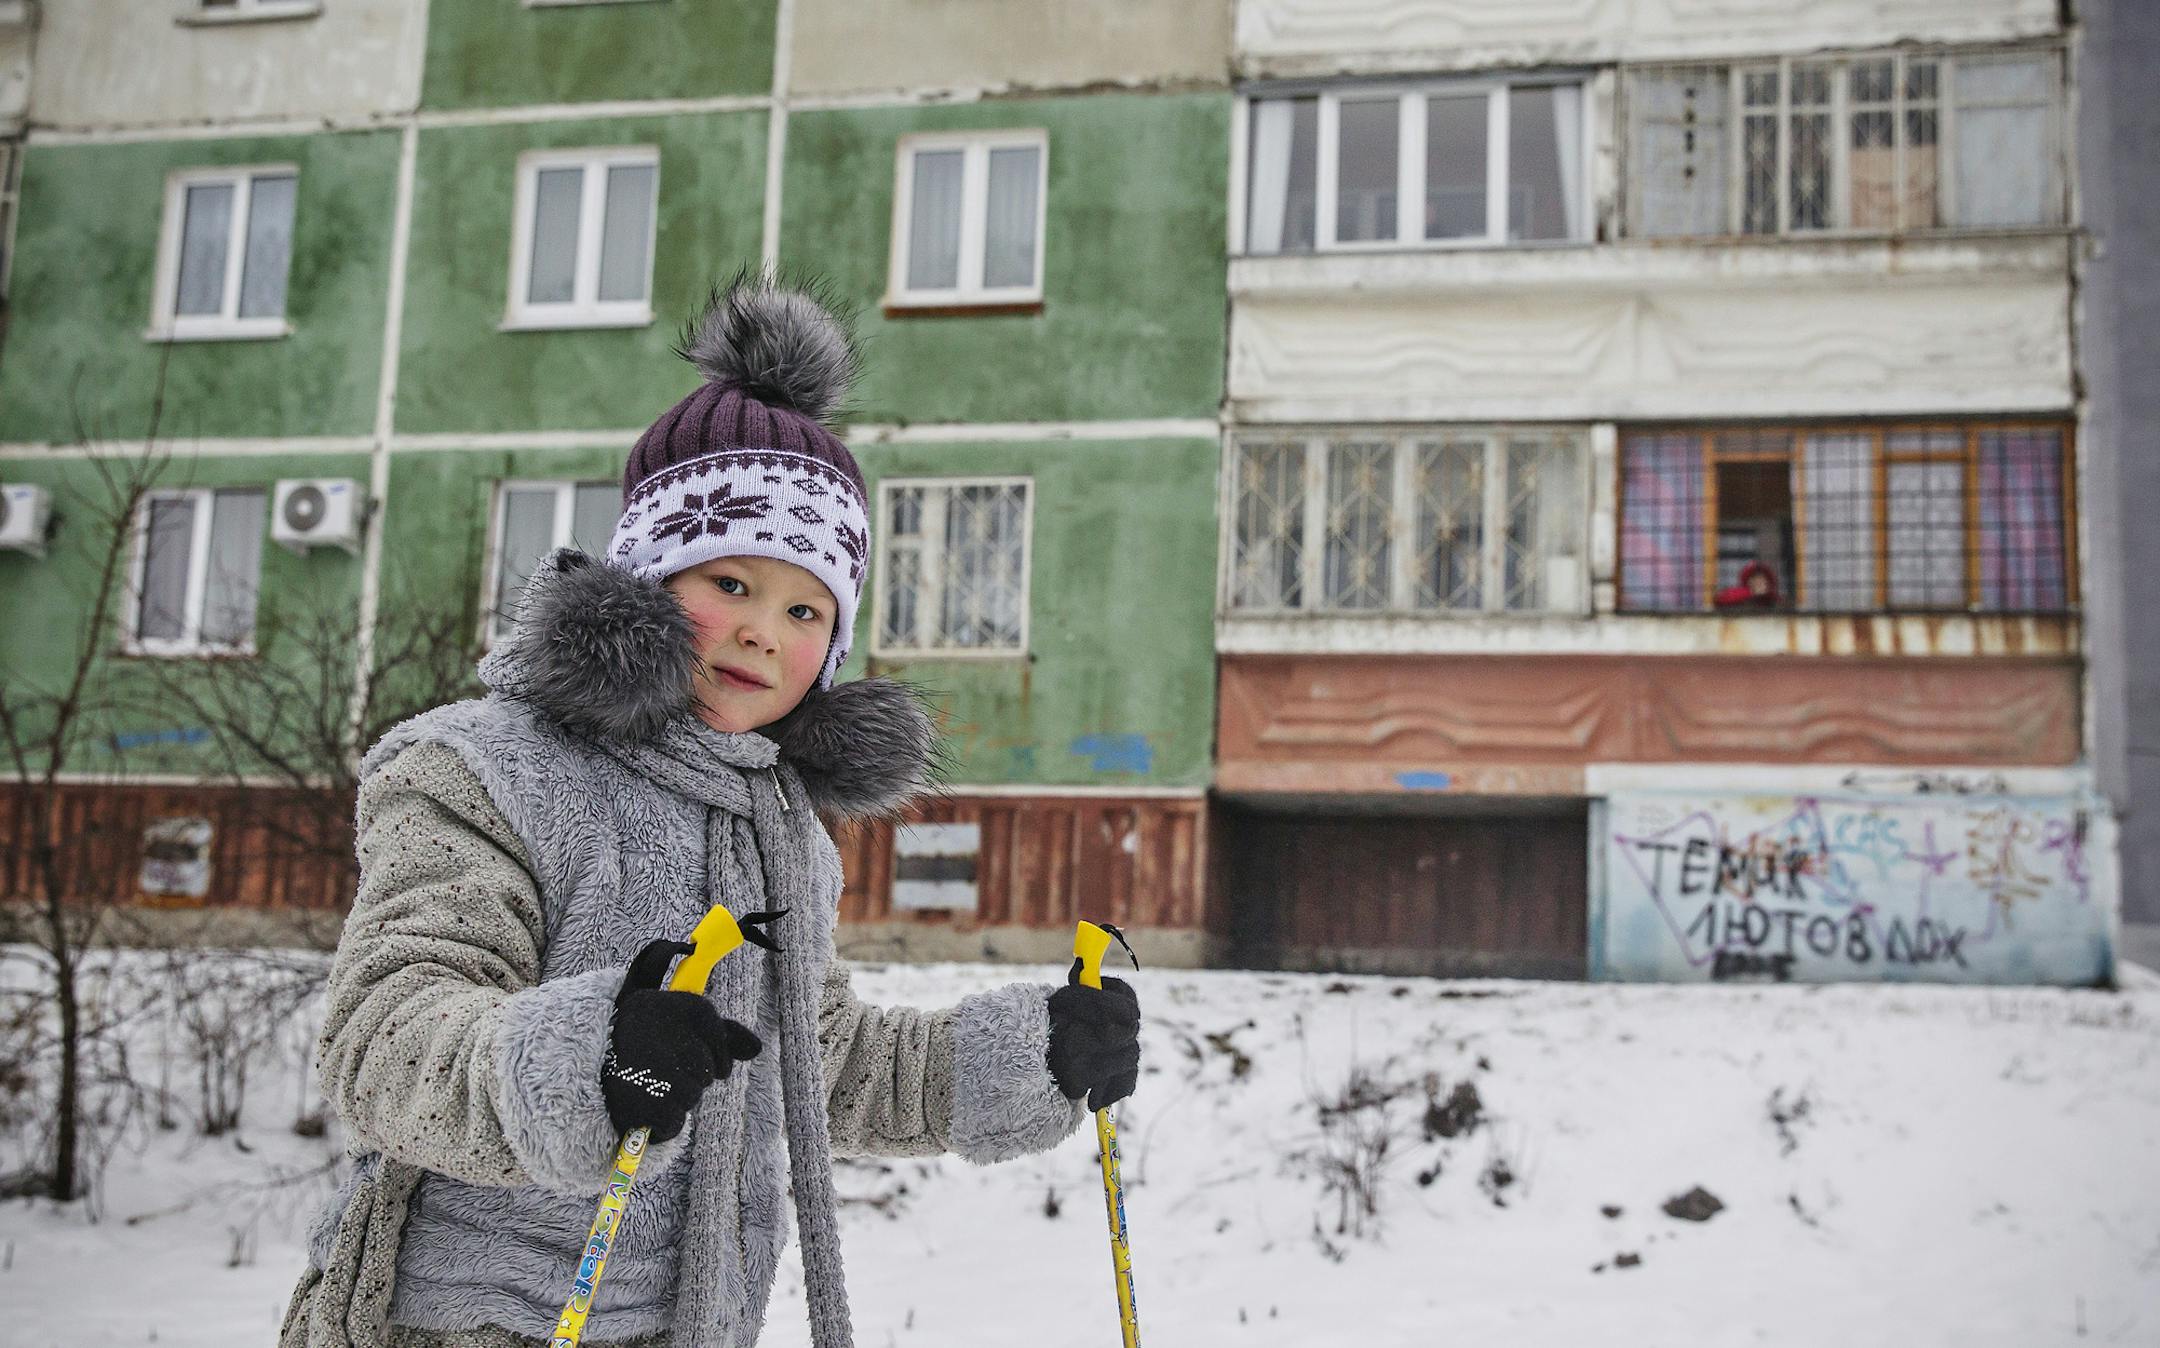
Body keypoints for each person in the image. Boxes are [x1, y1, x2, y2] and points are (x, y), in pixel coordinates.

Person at [282, 273, 1143, 1348]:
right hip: (465, 1320)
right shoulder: (483, 769)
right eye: (727, 583)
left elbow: (814, 1065)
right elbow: (385, 1040)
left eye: (803, 608)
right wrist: (589, 1059)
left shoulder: (780, 828)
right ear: (643, 576)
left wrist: (1030, 1058)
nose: (761, 634)